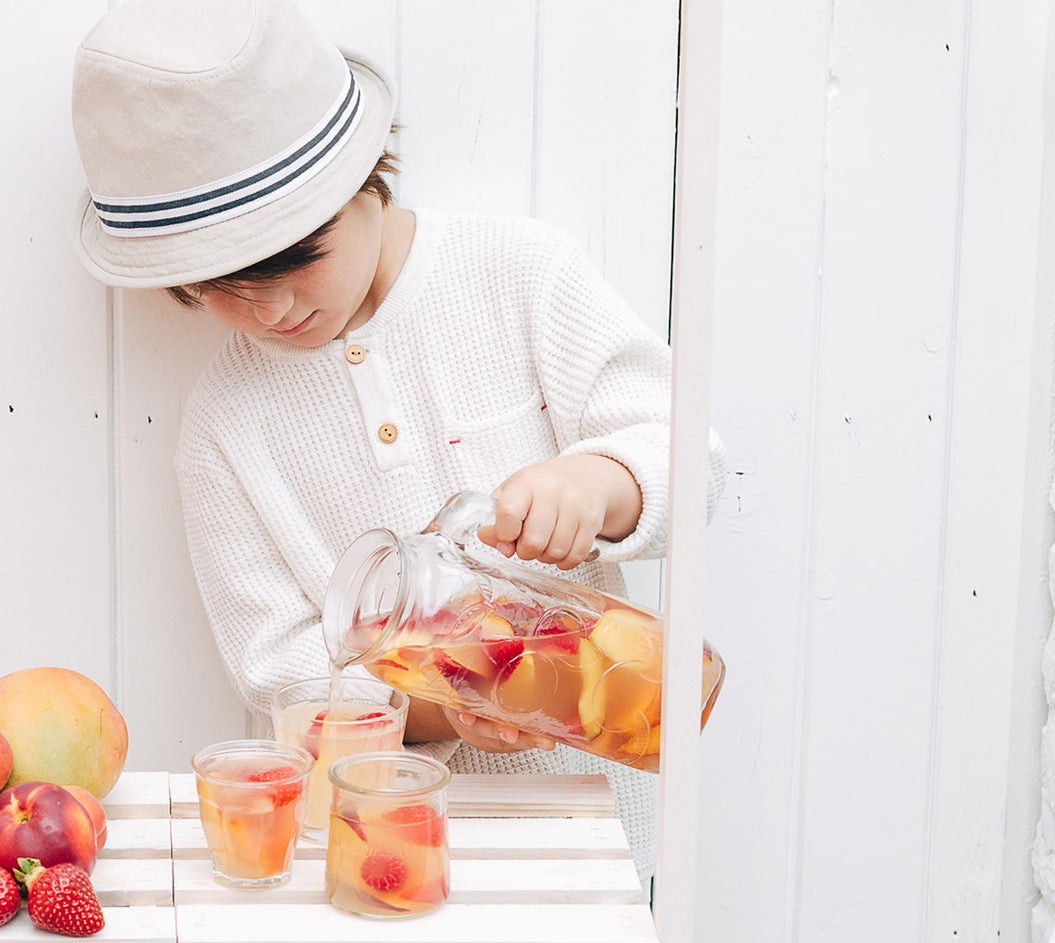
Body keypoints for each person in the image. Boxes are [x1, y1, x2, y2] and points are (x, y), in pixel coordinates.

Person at [67, 0, 723, 878]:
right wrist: (447, 707)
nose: (271, 308)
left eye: (299, 257)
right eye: (219, 286)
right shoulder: (227, 426)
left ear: (365, 177)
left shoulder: (517, 277)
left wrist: (597, 485)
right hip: (385, 845)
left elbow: (691, 453)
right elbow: (284, 672)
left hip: (591, 823)